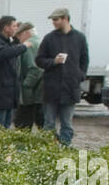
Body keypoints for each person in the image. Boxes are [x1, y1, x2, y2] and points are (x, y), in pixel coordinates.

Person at [34, 8, 89, 146]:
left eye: (56, 19)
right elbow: (39, 60)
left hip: (70, 87)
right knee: (49, 123)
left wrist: (80, 76)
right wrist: (53, 61)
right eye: (53, 20)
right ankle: (49, 149)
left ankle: (65, 148)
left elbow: (84, 59)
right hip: (52, 87)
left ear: (65, 18)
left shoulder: (79, 38)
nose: (53, 22)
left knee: (67, 123)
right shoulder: (49, 38)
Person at [0, 15, 28, 129]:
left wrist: (17, 39)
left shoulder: (7, 41)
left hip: (9, 92)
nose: (16, 28)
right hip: (0, 91)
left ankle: (3, 146)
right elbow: (6, 53)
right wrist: (24, 46)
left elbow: (12, 48)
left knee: (7, 124)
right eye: (14, 26)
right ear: (6, 27)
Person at [14, 23, 45, 130]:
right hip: (40, 91)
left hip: (31, 93)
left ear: (27, 33)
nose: (18, 39)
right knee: (41, 121)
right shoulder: (39, 42)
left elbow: (35, 69)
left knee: (22, 123)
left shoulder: (29, 45)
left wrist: (26, 85)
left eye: (19, 35)